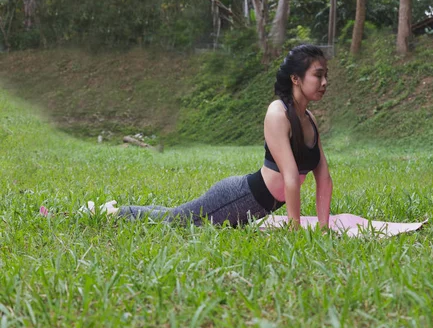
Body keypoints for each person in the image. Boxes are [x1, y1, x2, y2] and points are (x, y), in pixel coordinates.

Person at [102, 45, 332, 229]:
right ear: (295, 78)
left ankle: (118, 210)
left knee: (181, 215)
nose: (324, 83)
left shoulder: (309, 118)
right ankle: (112, 212)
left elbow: (324, 179)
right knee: (176, 221)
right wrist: (295, 228)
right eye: (318, 75)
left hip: (254, 209)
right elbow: (290, 177)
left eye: (326, 76)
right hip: (239, 197)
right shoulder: (277, 113)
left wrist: (324, 228)